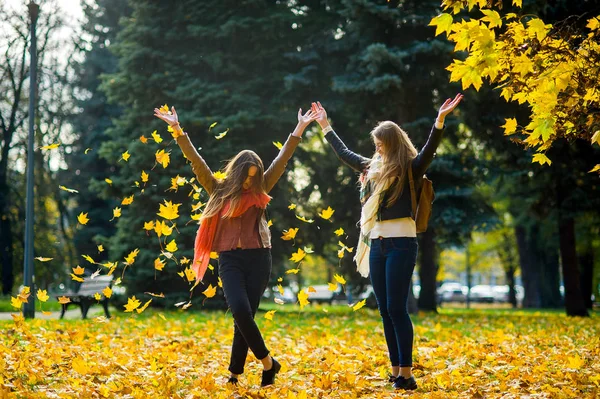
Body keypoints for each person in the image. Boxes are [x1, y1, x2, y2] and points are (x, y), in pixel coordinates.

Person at [154, 105, 317, 387]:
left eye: (255, 176)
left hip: (259, 258)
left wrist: (299, 129)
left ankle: (234, 375)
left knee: (245, 318)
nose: (251, 181)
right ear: (239, 172)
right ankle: (269, 362)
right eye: (248, 176)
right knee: (240, 310)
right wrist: (177, 130)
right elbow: (197, 162)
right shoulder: (218, 188)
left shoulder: (262, 185)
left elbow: (282, 159)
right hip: (229, 259)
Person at [311, 94, 463, 390]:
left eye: (381, 144)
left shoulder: (410, 167)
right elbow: (344, 153)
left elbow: (429, 151)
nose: (377, 148)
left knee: (397, 308)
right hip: (377, 246)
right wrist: (325, 125)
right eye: (375, 144)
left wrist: (439, 121)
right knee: (384, 310)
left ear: (392, 143)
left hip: (401, 245)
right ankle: (396, 371)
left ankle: (407, 374)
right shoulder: (371, 169)